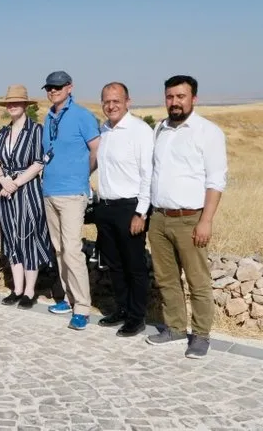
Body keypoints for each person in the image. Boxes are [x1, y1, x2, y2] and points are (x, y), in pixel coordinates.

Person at [145, 75, 227, 359]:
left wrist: (206, 220)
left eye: (181, 96)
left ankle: (201, 335)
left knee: (197, 280)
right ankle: (176, 327)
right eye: (170, 96)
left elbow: (216, 180)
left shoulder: (208, 132)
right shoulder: (159, 129)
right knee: (166, 279)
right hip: (159, 218)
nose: (175, 102)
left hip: (191, 218)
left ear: (194, 98)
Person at [41, 71, 100, 330]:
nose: (53, 91)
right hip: (50, 191)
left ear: (69, 88)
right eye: (49, 88)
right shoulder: (48, 116)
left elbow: (96, 148)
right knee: (59, 249)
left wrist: (83, 174)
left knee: (73, 249)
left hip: (73, 193)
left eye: (57, 87)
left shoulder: (82, 116)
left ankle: (83, 307)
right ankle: (67, 297)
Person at [95, 82, 153, 336]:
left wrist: (141, 212)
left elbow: (148, 174)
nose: (111, 106)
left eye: (116, 100)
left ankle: (137, 316)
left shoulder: (140, 130)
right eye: (107, 101)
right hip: (105, 207)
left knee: (134, 266)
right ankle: (122, 309)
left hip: (130, 208)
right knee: (114, 265)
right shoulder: (104, 130)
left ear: (128, 101)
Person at [0, 85, 53, 309]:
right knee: (11, 240)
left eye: (17, 102)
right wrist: (2, 180)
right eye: (10, 102)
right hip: (5, 193)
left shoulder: (36, 130)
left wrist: (15, 183)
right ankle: (16, 289)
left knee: (28, 239)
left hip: (26, 192)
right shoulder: (2, 132)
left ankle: (29, 291)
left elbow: (38, 162)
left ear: (26, 105)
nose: (13, 105)